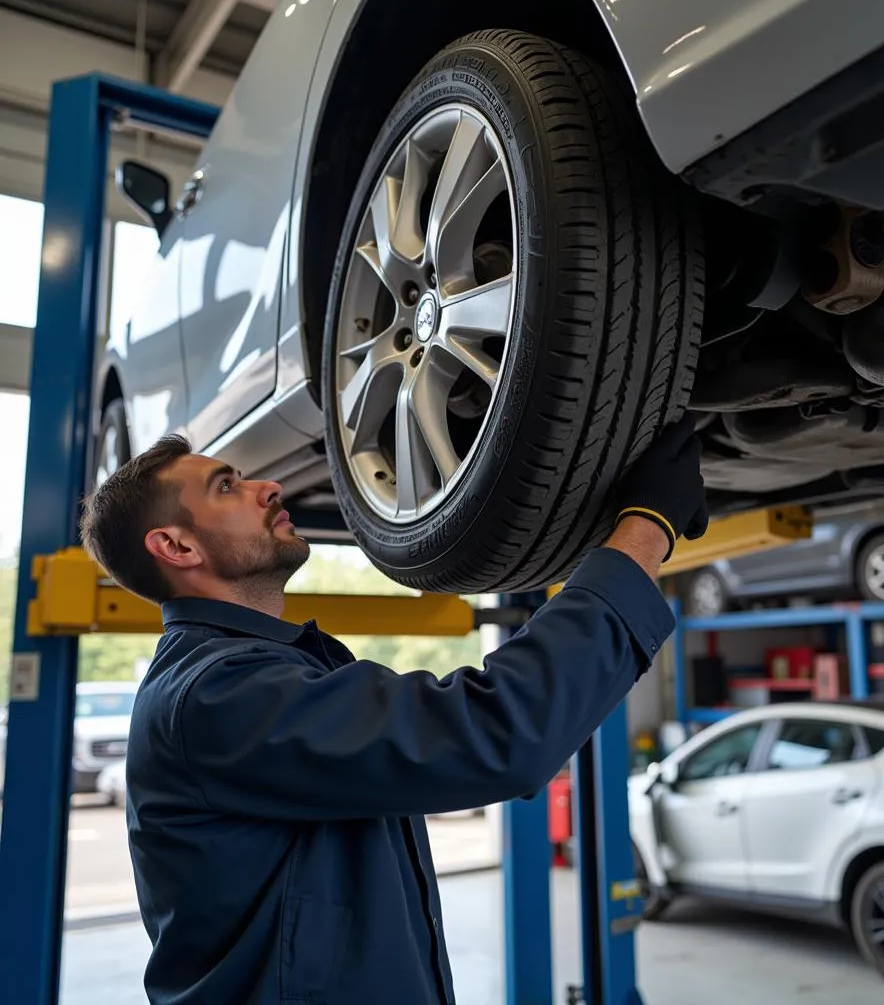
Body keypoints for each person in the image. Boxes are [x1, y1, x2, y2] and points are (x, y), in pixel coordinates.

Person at [79, 417, 708, 1005]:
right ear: (175, 546)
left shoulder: (262, 675)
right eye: (227, 488)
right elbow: (495, 733)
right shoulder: (218, 696)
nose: (266, 486)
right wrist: (644, 528)